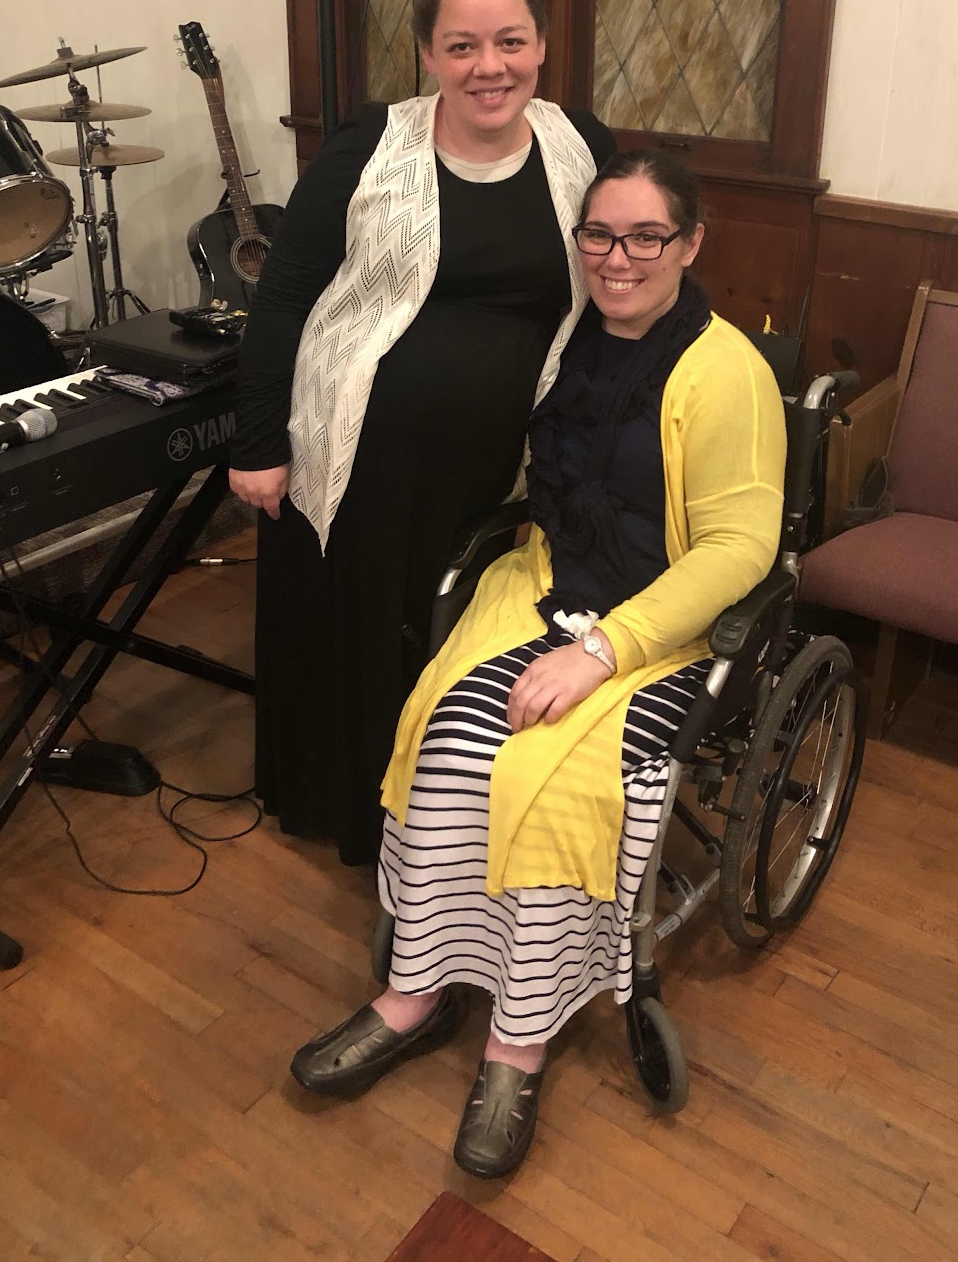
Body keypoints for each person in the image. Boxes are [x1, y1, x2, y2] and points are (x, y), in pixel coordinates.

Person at [289, 152, 787, 1178]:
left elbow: (740, 550)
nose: (617, 258)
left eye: (646, 236)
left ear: (691, 244)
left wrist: (602, 652)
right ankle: (416, 990)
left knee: (549, 783)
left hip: (662, 624)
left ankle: (517, 1043)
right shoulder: (569, 339)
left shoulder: (726, 370)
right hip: (550, 579)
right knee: (448, 738)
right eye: (598, 234)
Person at [229, 0, 615, 866]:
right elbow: (284, 295)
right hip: (358, 458)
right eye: (463, 46)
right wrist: (258, 442)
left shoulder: (580, 143)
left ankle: (436, 828)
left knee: (455, 640)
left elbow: (624, 269)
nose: (490, 66)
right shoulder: (370, 145)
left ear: (542, 46)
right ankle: (350, 816)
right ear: (430, 55)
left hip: (500, 465)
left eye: (510, 41)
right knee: (358, 636)